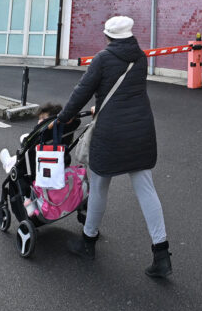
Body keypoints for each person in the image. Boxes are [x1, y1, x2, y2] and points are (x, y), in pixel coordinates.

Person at [56, 15, 171, 278]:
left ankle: (88, 242)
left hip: (111, 134)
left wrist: (62, 119)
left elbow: (82, 92)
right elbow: (124, 91)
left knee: (98, 187)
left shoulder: (103, 58)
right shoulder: (140, 58)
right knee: (146, 189)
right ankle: (161, 253)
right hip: (141, 130)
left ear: (108, 36)